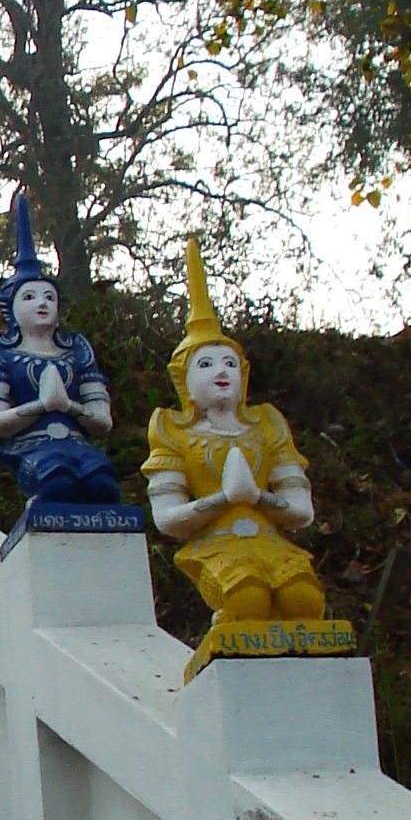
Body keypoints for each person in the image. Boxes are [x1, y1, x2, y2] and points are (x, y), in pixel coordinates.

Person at [143, 235, 331, 642]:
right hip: (217, 544)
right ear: (185, 383)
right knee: (248, 603)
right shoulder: (173, 431)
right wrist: (224, 499)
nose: (220, 371)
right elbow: (167, 519)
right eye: (205, 364)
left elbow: (301, 512)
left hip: (271, 540)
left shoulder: (265, 425)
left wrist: (257, 497)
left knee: (305, 603)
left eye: (229, 362)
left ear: (244, 375)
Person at [0, 191, 123, 514]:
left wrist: (67, 406)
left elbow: (103, 421)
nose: (41, 303)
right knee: (57, 484)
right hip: (34, 448)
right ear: (11, 309)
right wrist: (41, 406)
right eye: (29, 297)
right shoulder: (1, 351)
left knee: (103, 488)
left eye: (48, 298)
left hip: (80, 445)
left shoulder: (77, 351)